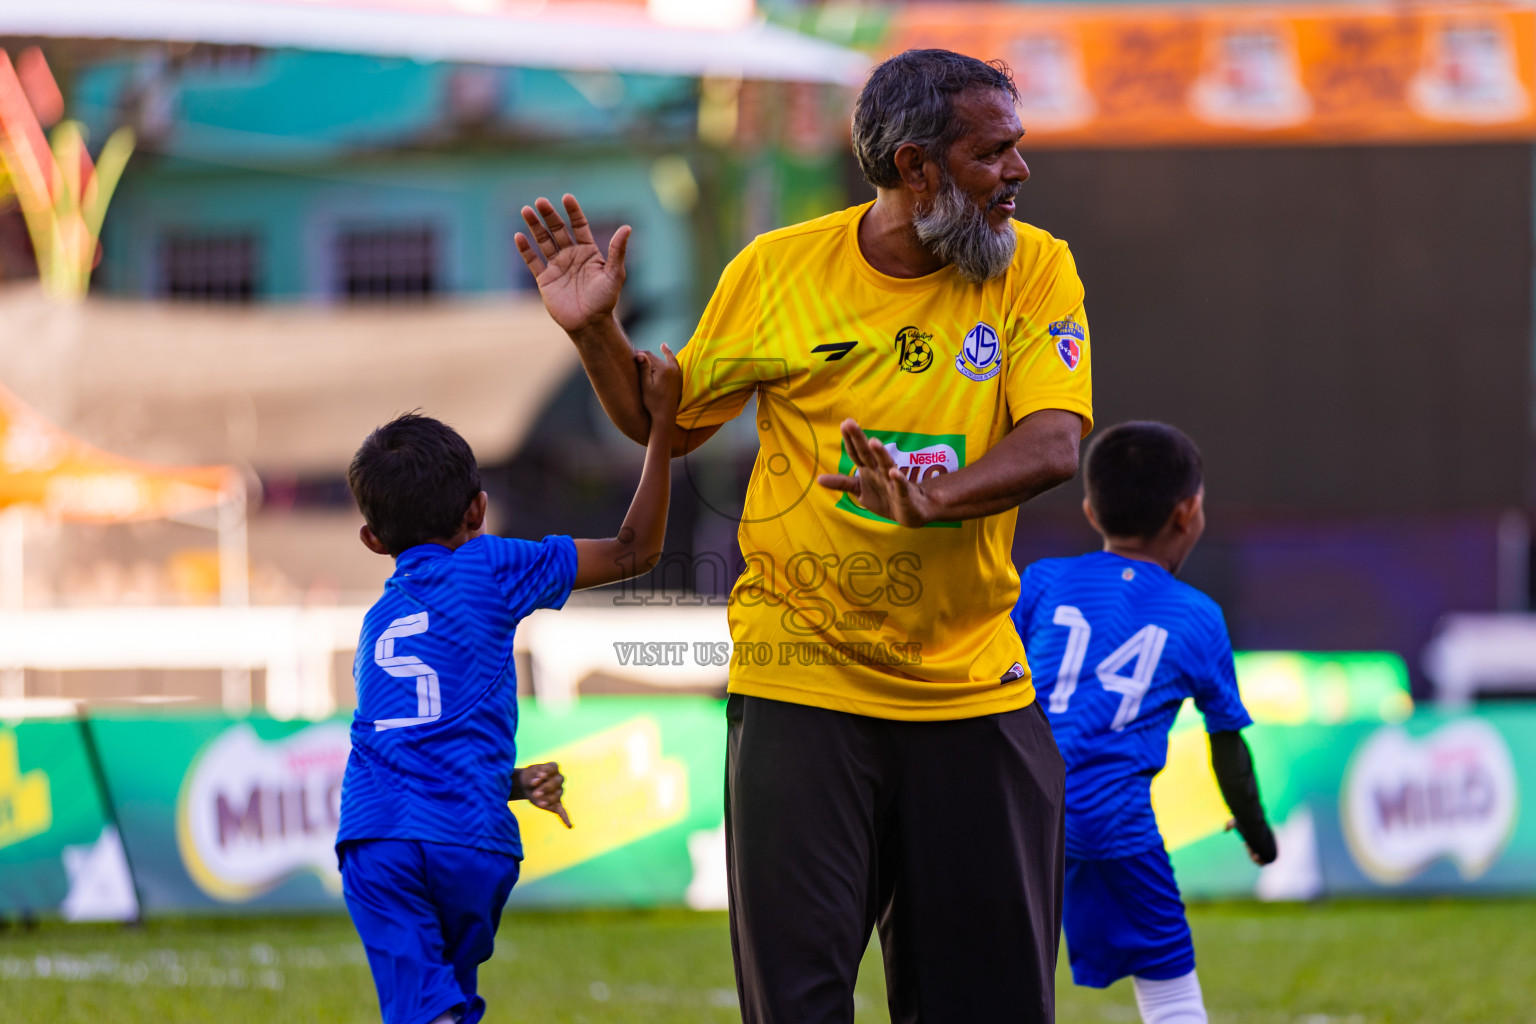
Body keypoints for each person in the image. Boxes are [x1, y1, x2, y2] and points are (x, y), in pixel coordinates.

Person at [517, 49, 1092, 1023]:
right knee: (800, 1005)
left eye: (1018, 148)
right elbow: (669, 420)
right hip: (803, 685)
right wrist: (592, 336)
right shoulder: (778, 270)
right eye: (995, 153)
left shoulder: (1035, 267)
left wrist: (934, 493)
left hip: (972, 691)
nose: (1019, 172)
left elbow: (1052, 443)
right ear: (917, 168)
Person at [335, 345, 681, 1024]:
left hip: (380, 837)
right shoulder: (493, 566)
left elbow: (409, 738)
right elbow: (635, 548)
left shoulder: (379, 619)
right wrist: (664, 425)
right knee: (449, 1006)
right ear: (478, 512)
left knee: (426, 1012)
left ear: (372, 540)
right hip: (472, 840)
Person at [1010, 421, 1278, 1024]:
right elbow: (1227, 749)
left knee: (1000, 982)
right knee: (1169, 990)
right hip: (1117, 829)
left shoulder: (1044, 582)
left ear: (1089, 509)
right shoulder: (1198, 617)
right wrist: (1258, 834)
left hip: (1025, 820)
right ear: (1188, 514)